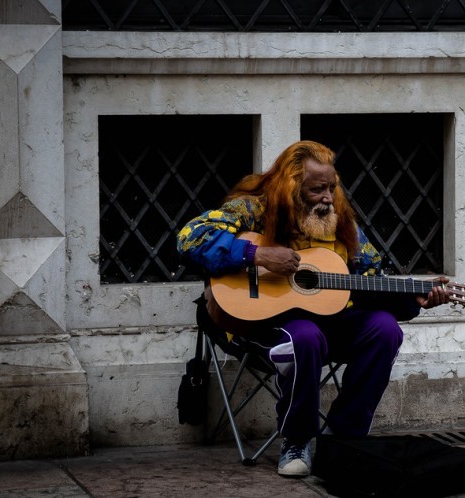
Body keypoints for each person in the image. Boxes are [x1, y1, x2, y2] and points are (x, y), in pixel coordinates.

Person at [177, 140, 450, 477]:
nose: (328, 198)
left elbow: (371, 281)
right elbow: (190, 238)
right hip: (259, 325)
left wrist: (414, 298)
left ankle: (345, 437)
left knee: (384, 329)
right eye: (317, 189)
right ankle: (297, 438)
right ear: (291, 188)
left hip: (330, 324)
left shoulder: (343, 225)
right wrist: (256, 255)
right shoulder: (254, 211)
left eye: (332, 188)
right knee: (304, 336)